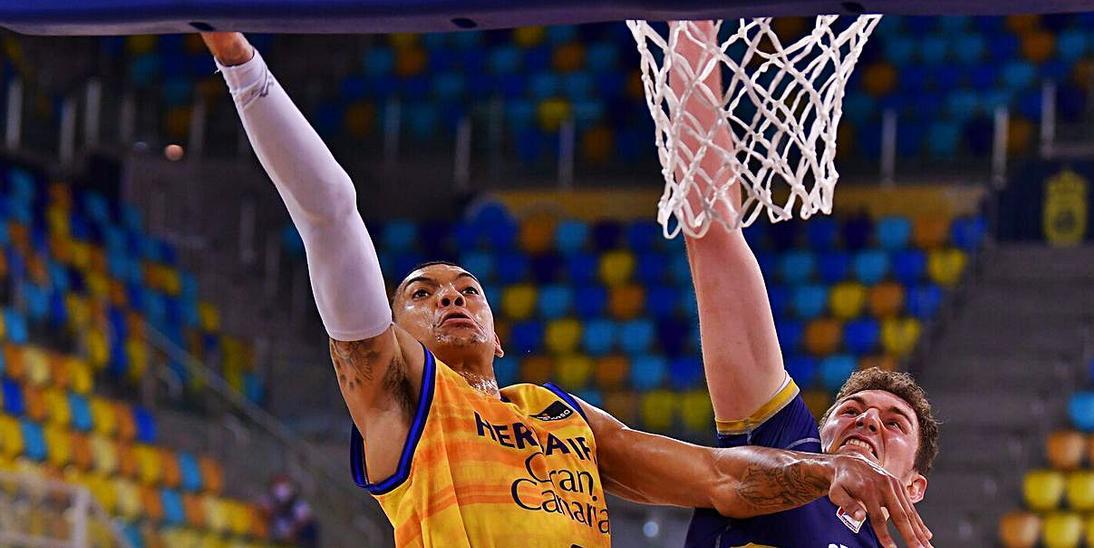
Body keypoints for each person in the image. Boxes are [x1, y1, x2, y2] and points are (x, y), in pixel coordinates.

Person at [200, 31, 934, 546]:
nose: (451, 298)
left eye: (468, 290)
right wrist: (239, 59)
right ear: (391, 336)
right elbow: (330, 212)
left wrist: (824, 469)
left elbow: (719, 477)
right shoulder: (398, 393)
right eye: (421, 294)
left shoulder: (562, 416)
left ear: (500, 333)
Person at [668, 22, 939, 548]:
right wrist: (692, 28)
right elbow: (714, 237)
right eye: (853, 412)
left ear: (915, 485)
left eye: (894, 423)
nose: (868, 424)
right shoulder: (781, 448)